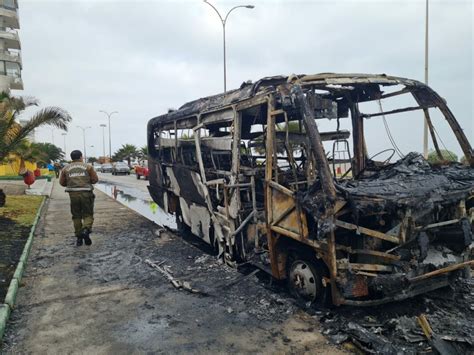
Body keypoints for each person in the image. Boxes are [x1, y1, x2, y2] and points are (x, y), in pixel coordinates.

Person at [59, 150, 99, 246]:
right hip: (86, 194)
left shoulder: (66, 168)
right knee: (88, 215)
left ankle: (79, 238)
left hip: (73, 195)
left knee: (76, 216)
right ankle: (85, 230)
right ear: (81, 157)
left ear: (71, 158)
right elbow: (95, 180)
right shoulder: (88, 167)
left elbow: (62, 183)